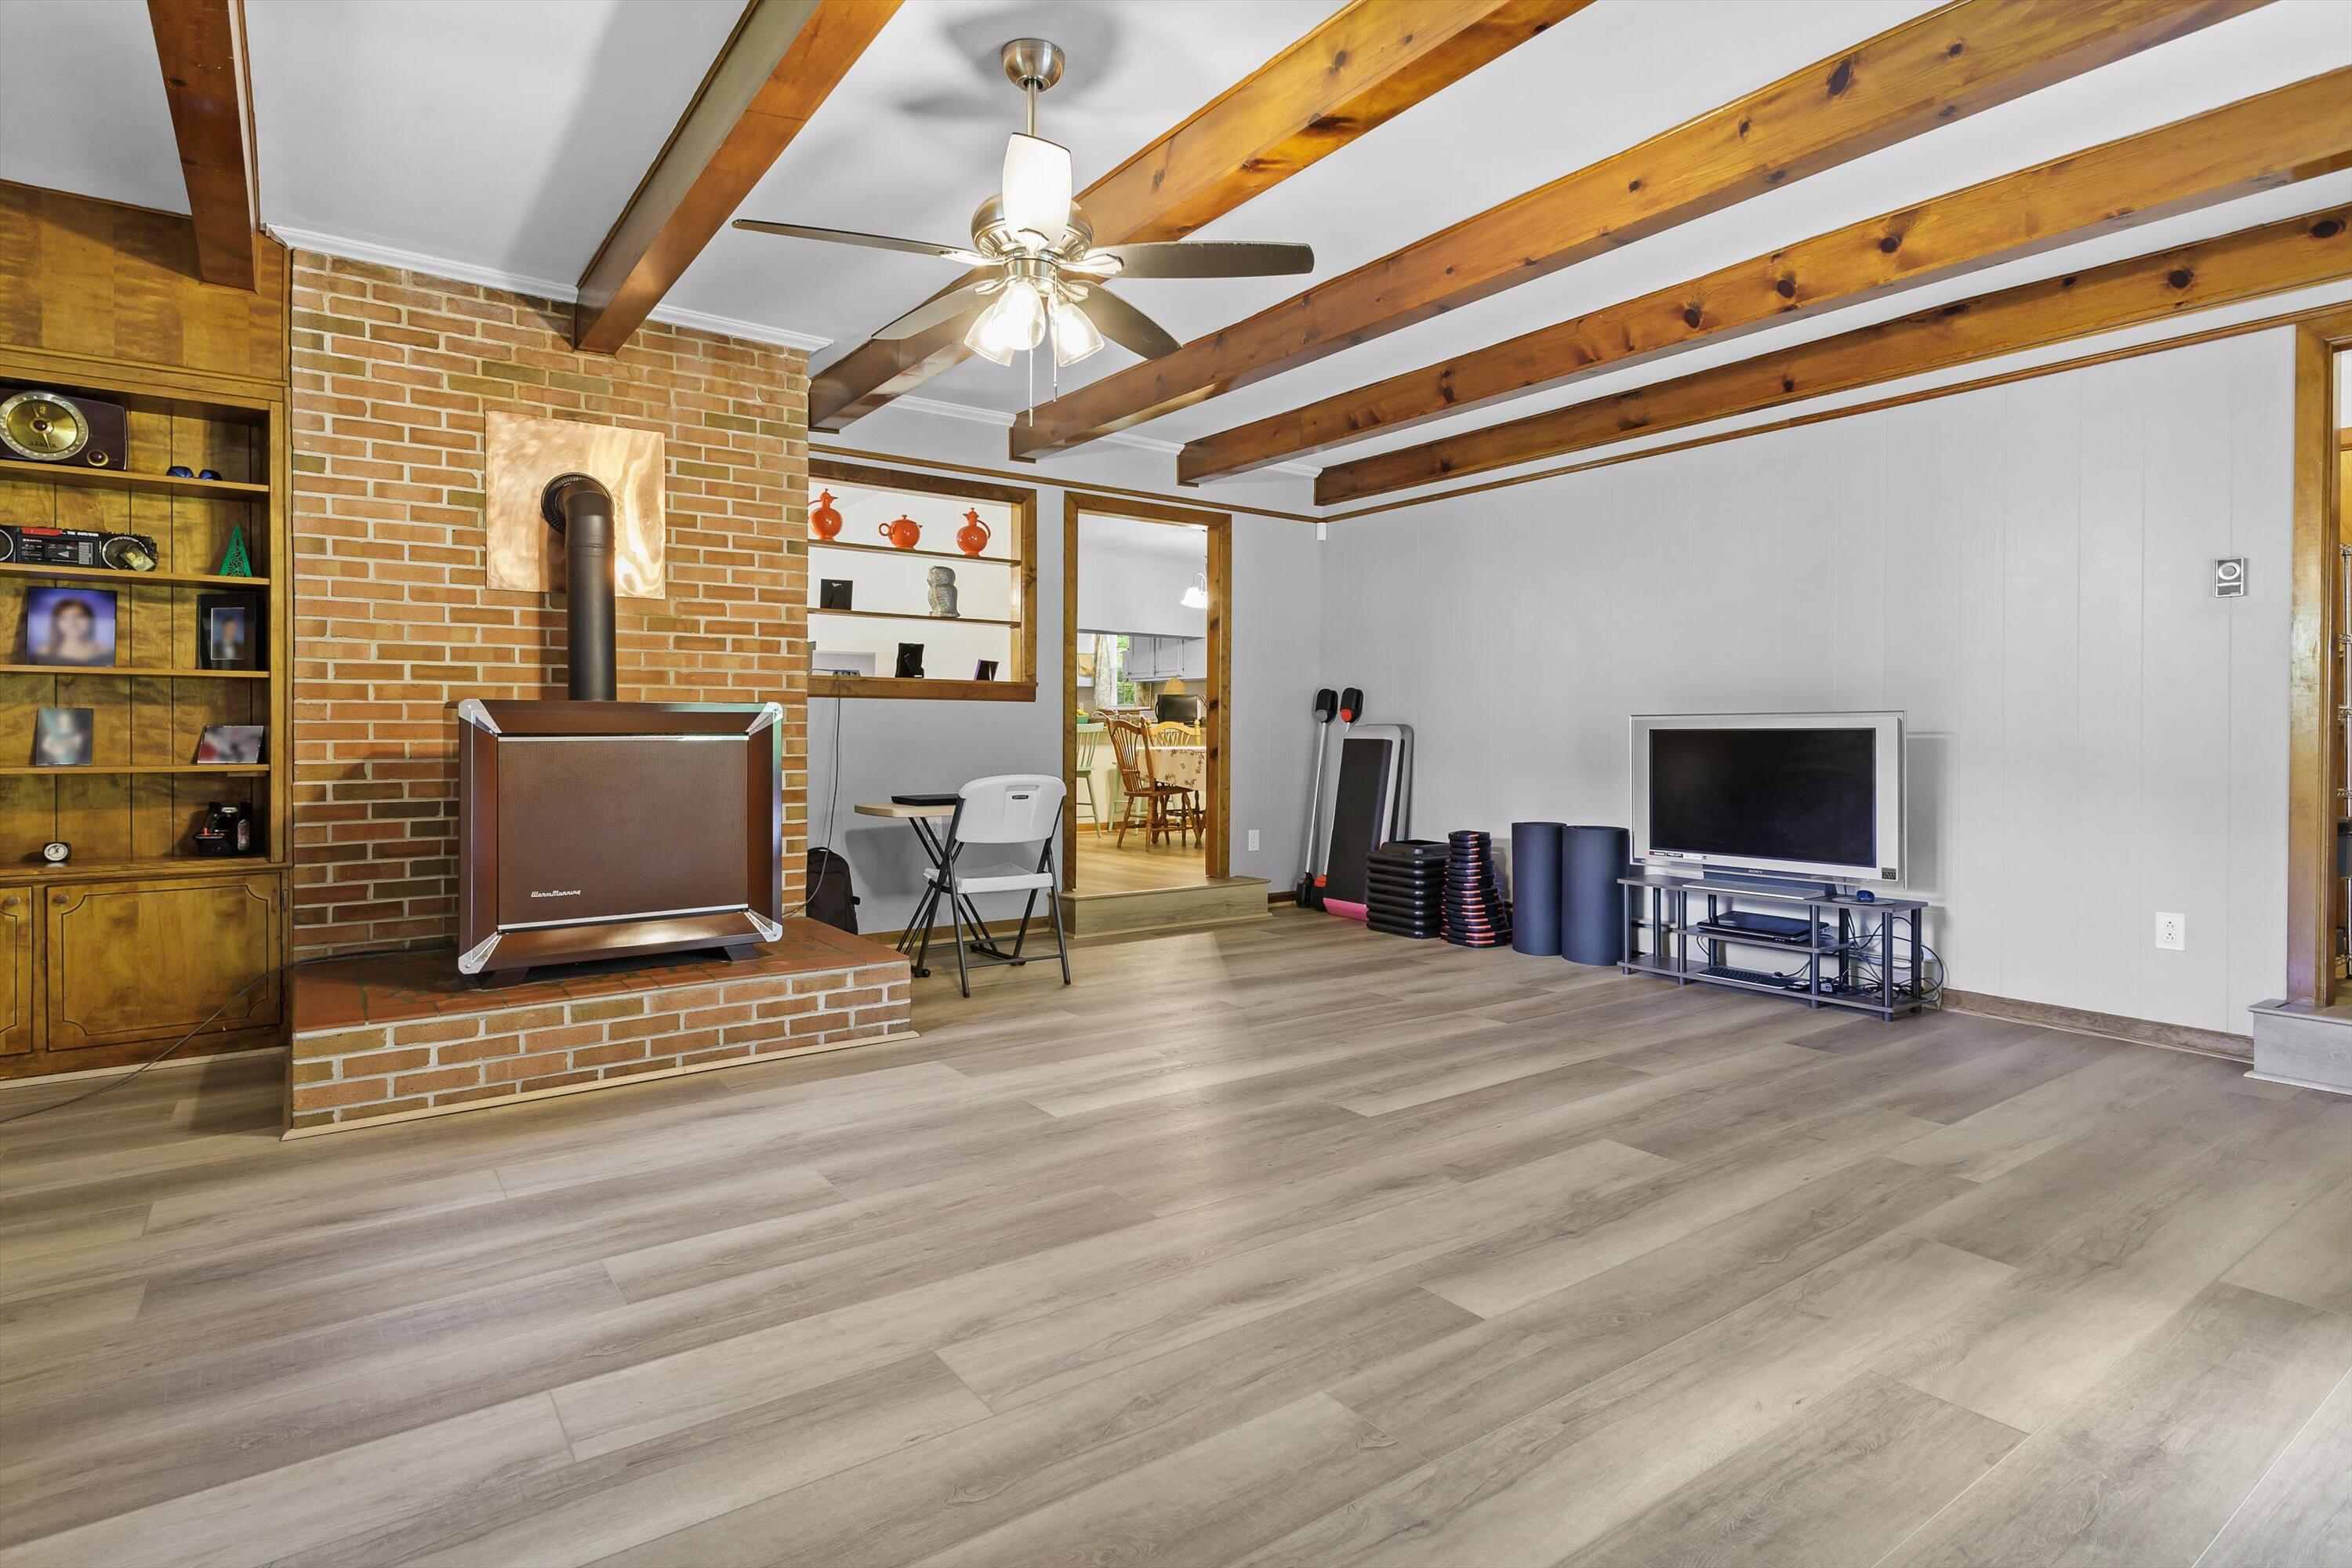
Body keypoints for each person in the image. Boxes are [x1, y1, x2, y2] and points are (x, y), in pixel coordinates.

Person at [37, 597, 110, 666]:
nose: (72, 623)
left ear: (90, 620)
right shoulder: (44, 652)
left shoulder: (105, 651)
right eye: (64, 618)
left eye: (79, 617)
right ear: (56, 623)